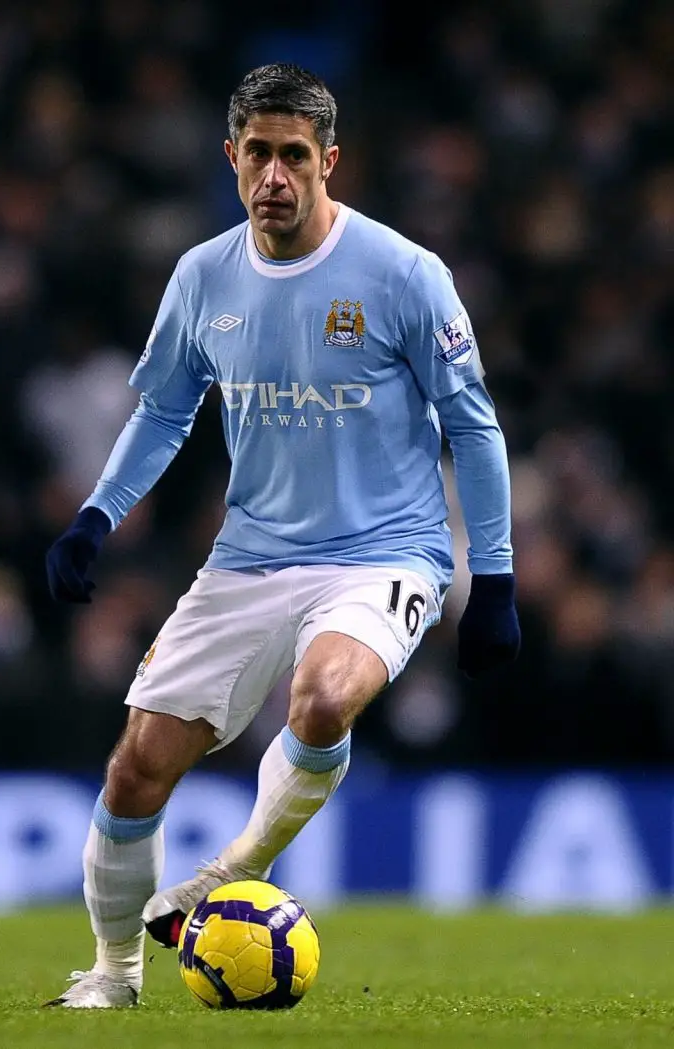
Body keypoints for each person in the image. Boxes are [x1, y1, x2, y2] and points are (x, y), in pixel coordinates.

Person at [43, 62, 520, 1008]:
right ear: (230, 156)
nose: (274, 175)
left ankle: (232, 869)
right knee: (137, 767)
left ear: (328, 161)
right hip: (250, 555)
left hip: (386, 552)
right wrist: (97, 515)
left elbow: (474, 426)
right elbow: (164, 413)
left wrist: (495, 577)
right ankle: (113, 973)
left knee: (325, 698)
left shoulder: (404, 273)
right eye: (257, 153)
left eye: (294, 156)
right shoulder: (202, 276)